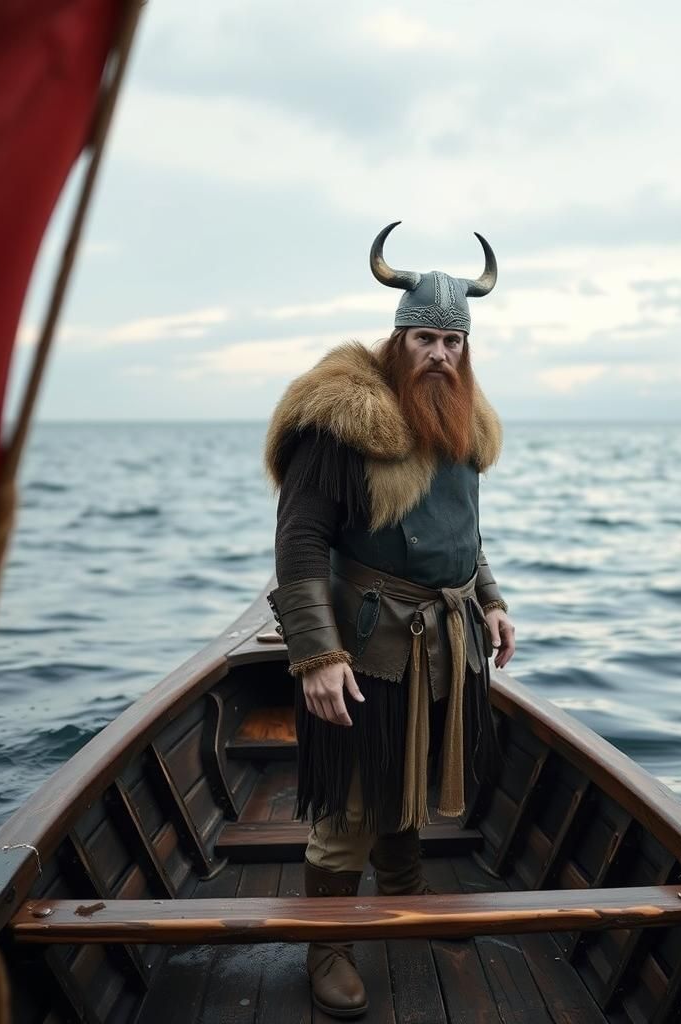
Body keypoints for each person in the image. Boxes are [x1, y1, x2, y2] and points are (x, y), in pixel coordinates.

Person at [263, 222, 515, 1018]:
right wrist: (317, 655)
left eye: (452, 340)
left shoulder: (461, 424)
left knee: (410, 780)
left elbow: (460, 540)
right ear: (396, 339)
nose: (439, 354)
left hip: (443, 640)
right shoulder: (342, 418)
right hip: (364, 645)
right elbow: (300, 539)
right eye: (425, 339)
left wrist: (493, 601)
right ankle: (328, 942)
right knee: (354, 801)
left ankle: (406, 896)